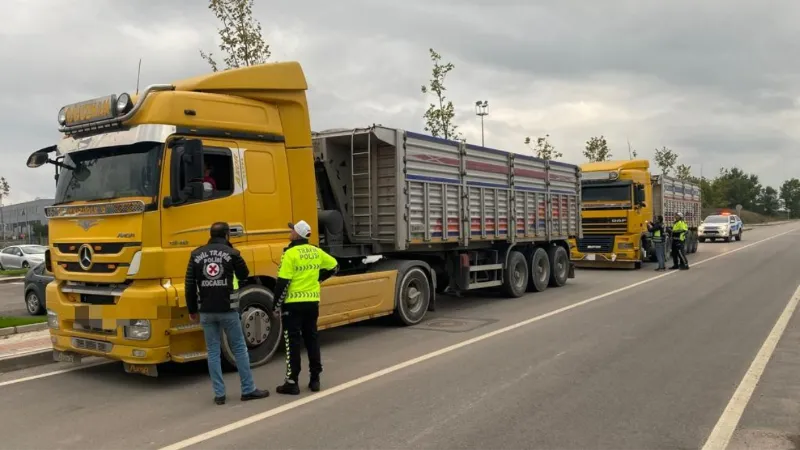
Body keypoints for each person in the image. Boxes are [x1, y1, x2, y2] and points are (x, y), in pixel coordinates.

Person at [185, 222, 270, 405]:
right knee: (239, 349)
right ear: (226, 236)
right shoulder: (232, 254)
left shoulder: (196, 254)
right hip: (228, 309)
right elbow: (244, 275)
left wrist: (192, 309)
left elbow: (190, 285)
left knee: (213, 352)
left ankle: (219, 394)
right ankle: (248, 389)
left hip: (206, 311)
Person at [271, 220, 339, 395]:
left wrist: (275, 306)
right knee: (312, 339)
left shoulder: (290, 254)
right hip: (312, 303)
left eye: (292, 230)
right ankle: (315, 379)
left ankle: (292, 382)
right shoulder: (316, 251)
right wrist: (318, 279)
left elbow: (283, 283)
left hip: (292, 305)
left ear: (297, 234)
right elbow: (334, 266)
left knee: (292, 342)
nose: (290, 231)